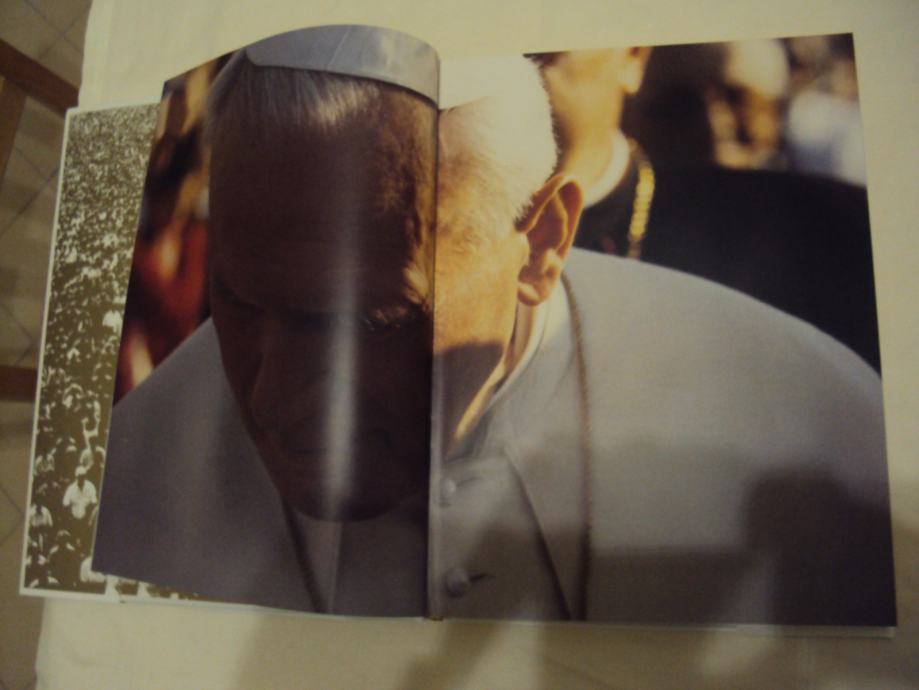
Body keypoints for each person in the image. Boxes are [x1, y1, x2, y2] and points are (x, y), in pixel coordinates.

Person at [94, 27, 894, 625]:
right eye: (237, 302)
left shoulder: (816, 431)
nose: (271, 397)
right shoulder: (134, 478)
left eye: (367, 319)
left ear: (541, 242)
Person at [537, 48, 882, 371]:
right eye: (678, 107)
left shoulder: (832, 235)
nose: (714, 126)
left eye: (541, 53)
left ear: (633, 56)